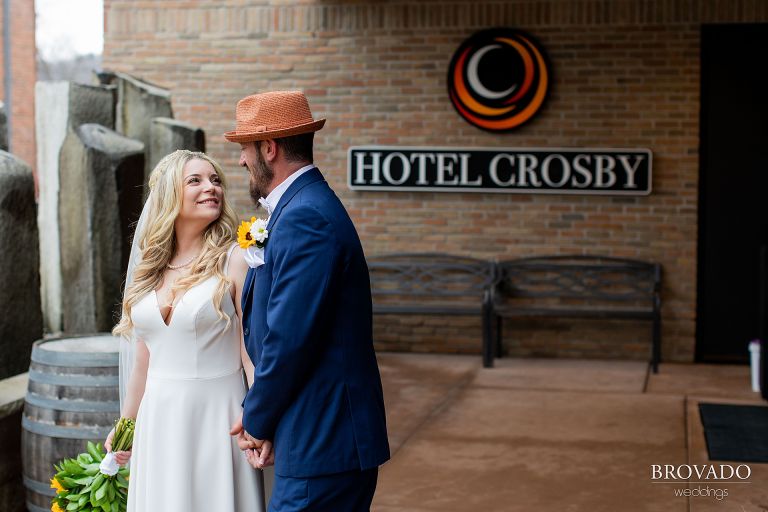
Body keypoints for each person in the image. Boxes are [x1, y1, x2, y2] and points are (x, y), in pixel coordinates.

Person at [226, 91, 390, 511]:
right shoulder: (303, 207)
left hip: (326, 441)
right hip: (315, 435)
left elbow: (290, 340)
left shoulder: (305, 218)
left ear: (269, 148)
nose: (242, 161)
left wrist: (258, 420)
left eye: (245, 149)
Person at [107, 149, 268, 511]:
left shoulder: (235, 260)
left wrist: (261, 416)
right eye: (194, 180)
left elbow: (251, 351)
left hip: (218, 415)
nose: (210, 187)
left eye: (214, 180)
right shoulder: (150, 269)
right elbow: (143, 363)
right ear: (168, 196)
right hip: (158, 417)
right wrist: (126, 426)